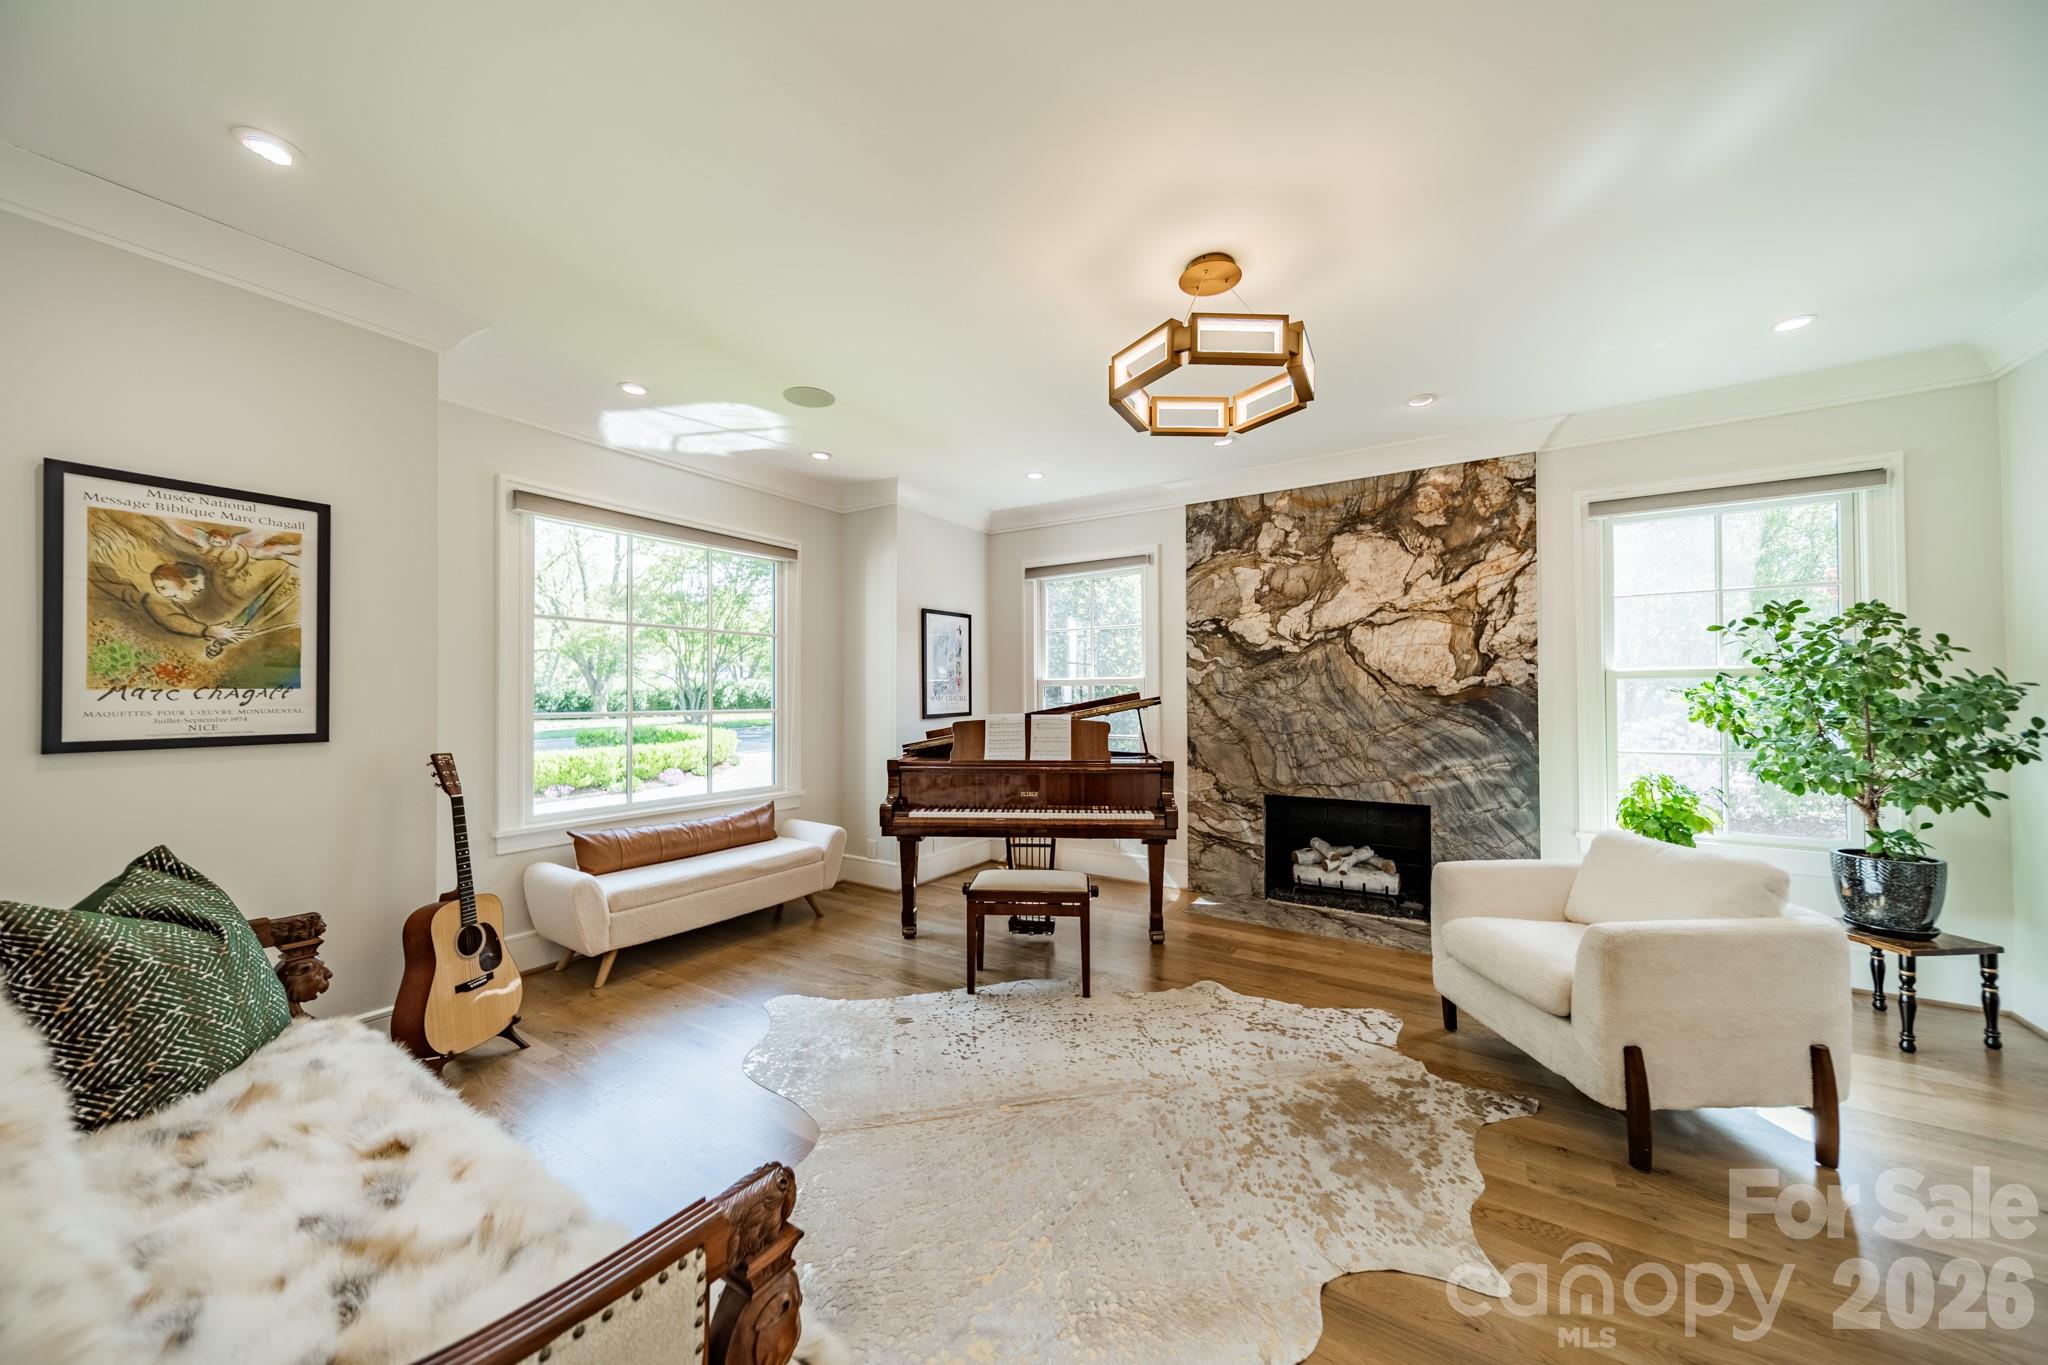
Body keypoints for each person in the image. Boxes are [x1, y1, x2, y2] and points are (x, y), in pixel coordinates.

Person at [90, 561, 248, 645]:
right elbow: (173, 619)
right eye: (195, 584)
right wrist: (208, 631)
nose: (200, 588)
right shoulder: (155, 600)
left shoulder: (161, 600)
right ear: (174, 581)